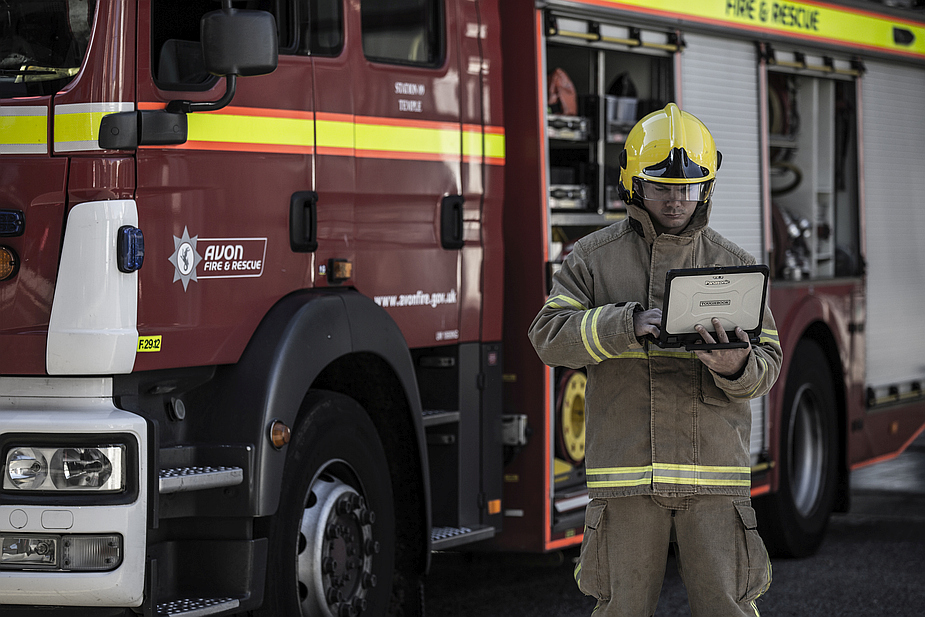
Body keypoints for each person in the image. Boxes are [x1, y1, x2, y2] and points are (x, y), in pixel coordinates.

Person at [528, 103, 782, 617]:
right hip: (625, 480)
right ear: (633, 183)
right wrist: (625, 324)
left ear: (706, 186)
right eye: (661, 185)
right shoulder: (592, 260)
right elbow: (547, 336)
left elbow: (769, 361)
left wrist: (735, 365)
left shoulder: (732, 266)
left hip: (713, 480)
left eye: (689, 187)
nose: (675, 199)